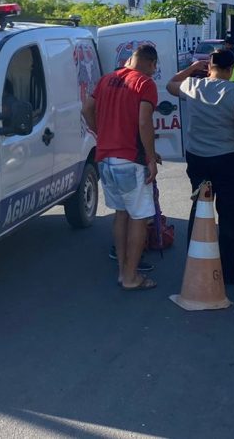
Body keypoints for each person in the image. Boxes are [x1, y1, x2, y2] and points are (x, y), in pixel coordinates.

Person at [168, 48, 234, 284]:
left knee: (199, 208)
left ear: (209, 66)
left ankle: (194, 266)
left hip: (197, 158)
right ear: (230, 69)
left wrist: (191, 68)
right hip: (228, 159)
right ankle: (229, 271)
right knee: (228, 213)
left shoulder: (193, 86)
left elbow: (171, 84)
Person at [82, 44, 160, 290]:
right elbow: (144, 121)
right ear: (151, 63)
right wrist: (150, 157)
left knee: (121, 214)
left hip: (105, 159)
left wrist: (100, 132)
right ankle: (130, 277)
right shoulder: (145, 83)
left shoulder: (107, 79)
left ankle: (122, 271)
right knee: (139, 217)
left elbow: (86, 108)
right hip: (130, 161)